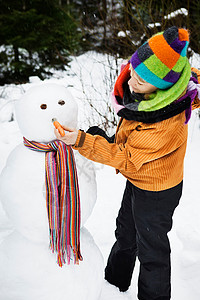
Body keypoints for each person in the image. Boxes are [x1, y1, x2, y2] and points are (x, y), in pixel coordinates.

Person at [54, 26, 200, 300]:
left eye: (140, 82)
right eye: (133, 73)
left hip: (157, 190)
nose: (131, 84)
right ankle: (113, 284)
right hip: (141, 178)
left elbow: (126, 157)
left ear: (166, 86)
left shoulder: (163, 124)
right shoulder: (167, 81)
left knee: (152, 250)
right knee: (125, 232)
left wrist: (83, 141)